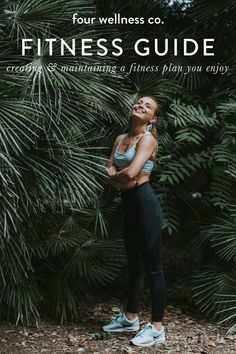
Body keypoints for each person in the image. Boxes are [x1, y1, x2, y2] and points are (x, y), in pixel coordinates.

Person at [103, 96, 166, 347]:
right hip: (128, 205)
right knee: (134, 265)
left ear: (152, 119)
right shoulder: (120, 139)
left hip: (145, 204)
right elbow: (110, 171)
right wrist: (123, 179)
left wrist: (120, 178)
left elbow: (129, 173)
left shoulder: (148, 139)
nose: (141, 105)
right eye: (139, 102)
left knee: (154, 267)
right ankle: (130, 318)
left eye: (147, 106)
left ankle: (157, 328)